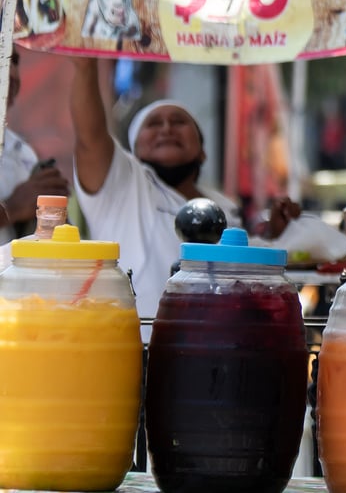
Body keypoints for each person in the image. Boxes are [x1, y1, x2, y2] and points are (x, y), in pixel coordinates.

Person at [70, 58, 296, 333]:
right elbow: (89, 136)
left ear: (203, 151)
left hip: (211, 348)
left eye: (178, 122)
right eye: (153, 124)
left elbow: (237, 279)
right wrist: (85, 68)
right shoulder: (123, 186)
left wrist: (273, 234)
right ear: (134, 151)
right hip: (132, 353)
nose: (166, 128)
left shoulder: (226, 209)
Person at [0, 49, 70, 242]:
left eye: (15, 61)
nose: (12, 72)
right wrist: (13, 207)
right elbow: (18, 206)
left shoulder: (22, 152)